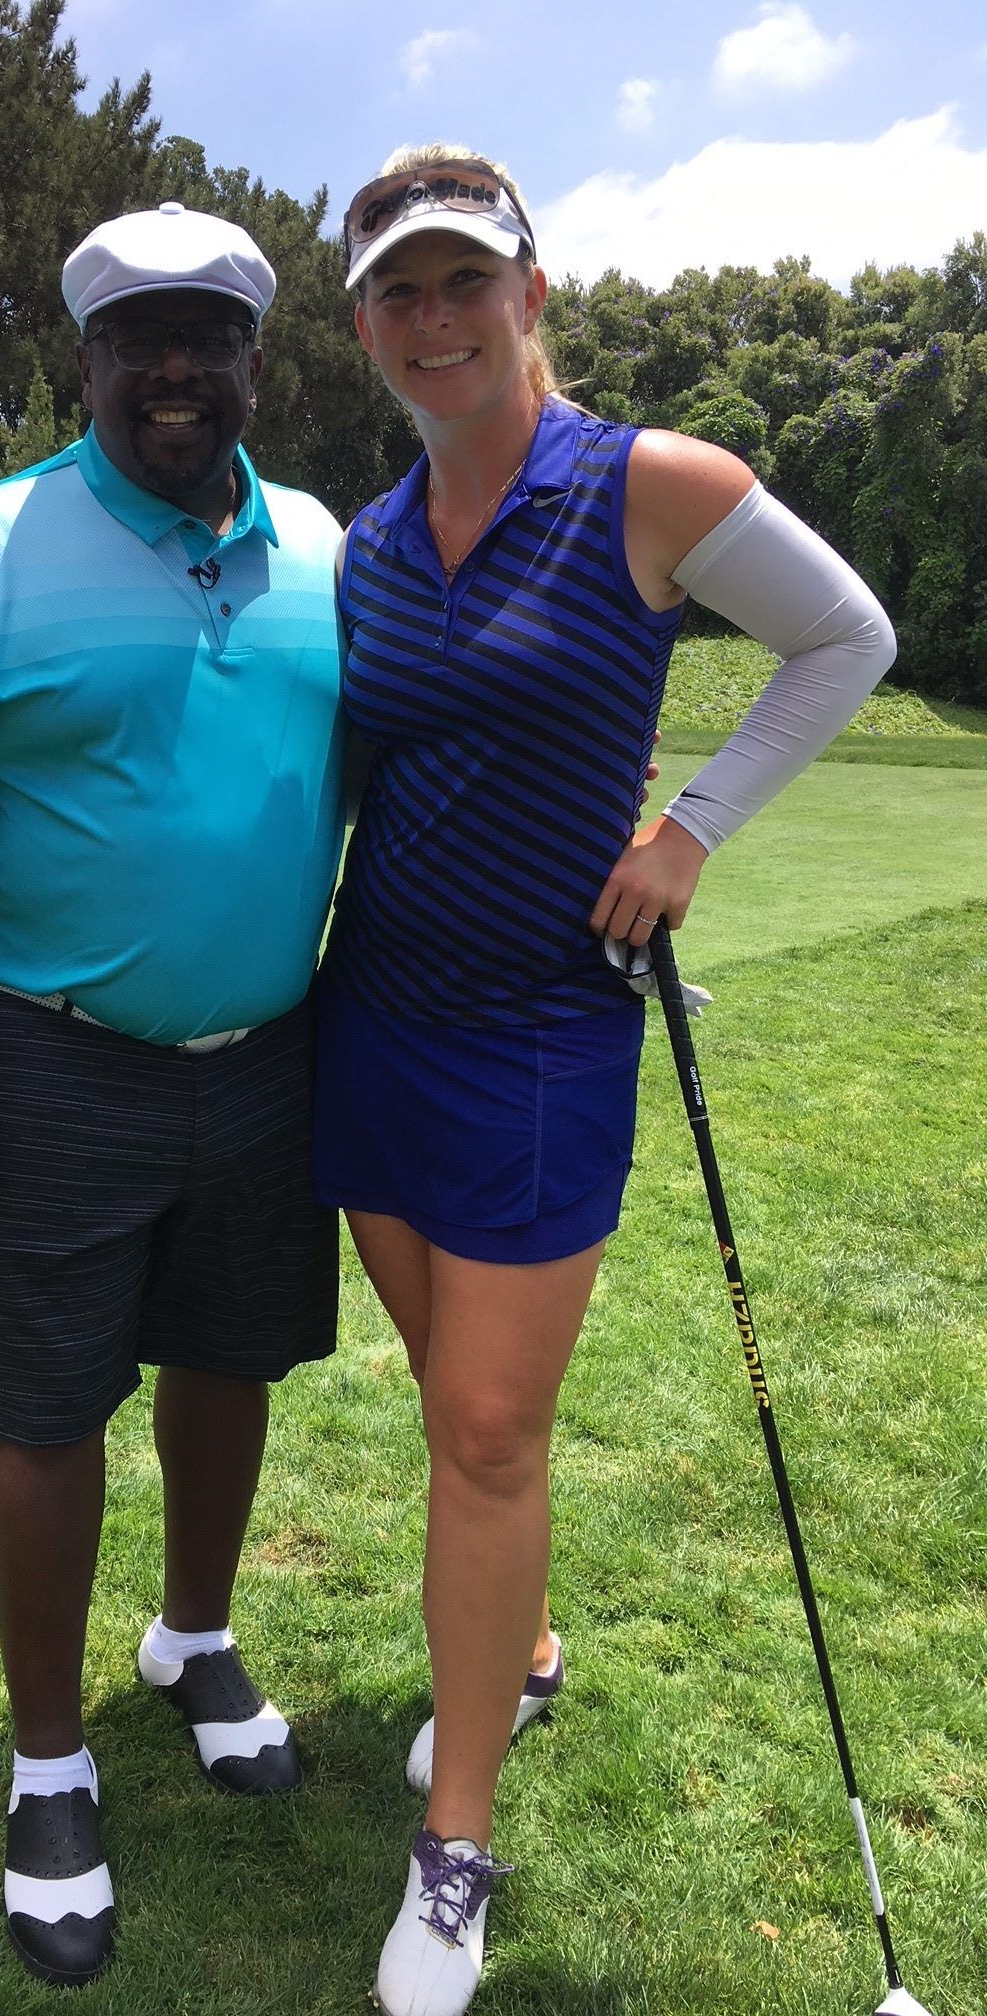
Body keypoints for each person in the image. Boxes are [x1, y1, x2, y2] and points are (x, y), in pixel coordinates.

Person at [314, 146, 896, 2016]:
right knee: (448, 1387)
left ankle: (456, 1844)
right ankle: (526, 1636)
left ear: (532, 293)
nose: (433, 320)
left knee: (489, 1428)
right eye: (397, 293)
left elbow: (846, 637)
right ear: (365, 329)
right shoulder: (375, 542)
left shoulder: (650, 485)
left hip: (545, 1029)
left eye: (461, 282)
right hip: (375, 1016)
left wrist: (695, 829)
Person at [0, 202, 350, 1988]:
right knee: (48, 1409)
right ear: (84, 360)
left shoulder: (321, 543)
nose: (171, 367)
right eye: (136, 335)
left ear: (254, 362)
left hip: (271, 1059)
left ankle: (194, 1638)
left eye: (205, 334)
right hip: (48, 1057)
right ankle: (48, 1758)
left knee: (229, 1368)